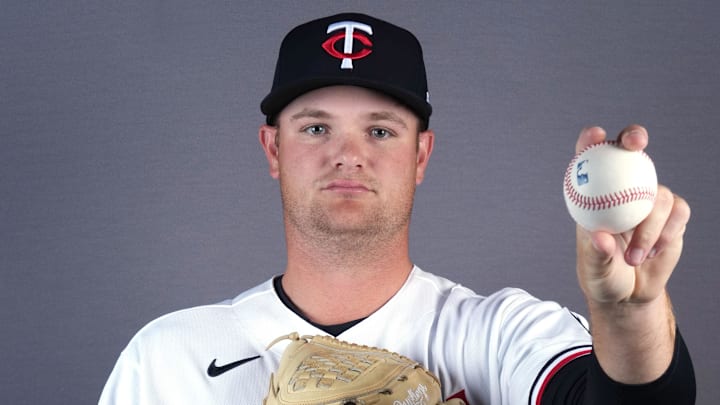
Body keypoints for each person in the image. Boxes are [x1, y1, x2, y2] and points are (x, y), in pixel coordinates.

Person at [98, 12, 695, 404]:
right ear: (273, 148)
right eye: (314, 129)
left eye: (381, 132)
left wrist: (629, 314)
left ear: (421, 156)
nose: (348, 155)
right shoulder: (168, 357)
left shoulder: (497, 335)